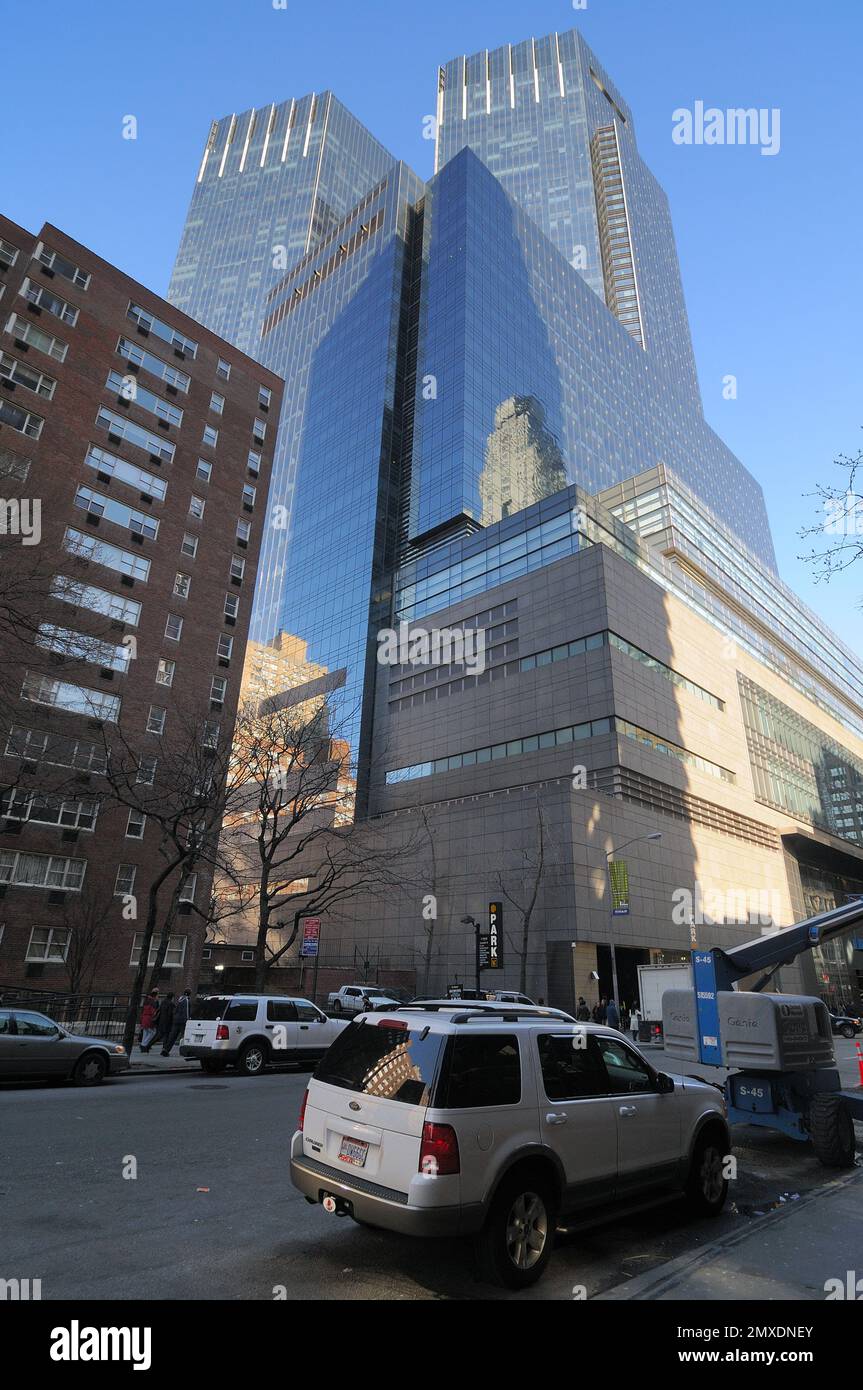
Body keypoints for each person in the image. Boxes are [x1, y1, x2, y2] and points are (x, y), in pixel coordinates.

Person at [161, 989, 191, 1056]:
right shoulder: (186, 1001)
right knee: (184, 1036)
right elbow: (187, 1012)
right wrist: (188, 1020)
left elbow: (176, 1010)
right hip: (183, 1020)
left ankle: (166, 1049)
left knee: (172, 1036)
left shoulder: (179, 1000)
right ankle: (185, 1050)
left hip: (176, 1020)